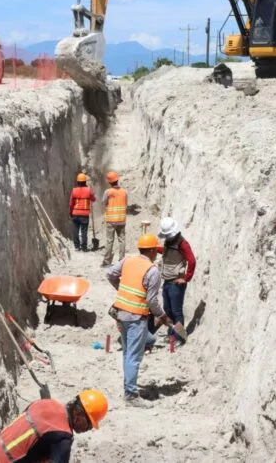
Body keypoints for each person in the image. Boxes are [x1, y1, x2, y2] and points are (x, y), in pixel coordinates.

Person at [106, 234, 171, 408]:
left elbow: (110, 274)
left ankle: (129, 388)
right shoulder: (152, 271)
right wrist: (162, 316)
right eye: (155, 250)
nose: (157, 254)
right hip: (136, 316)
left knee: (128, 353)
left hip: (121, 314)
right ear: (150, 251)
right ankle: (131, 395)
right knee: (134, 356)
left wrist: (121, 290)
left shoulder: (128, 260)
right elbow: (152, 300)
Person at [0, 390, 108, 463]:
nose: (89, 428)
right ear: (78, 414)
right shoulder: (63, 436)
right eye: (89, 423)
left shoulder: (46, 403)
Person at [147, 217, 197, 346]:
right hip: (167, 281)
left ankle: (180, 337)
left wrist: (186, 278)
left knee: (176, 311)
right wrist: (153, 248)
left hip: (176, 283)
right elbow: (167, 253)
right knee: (167, 310)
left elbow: (192, 261)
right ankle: (172, 335)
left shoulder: (183, 244)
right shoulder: (169, 243)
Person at [101, 171, 127, 267]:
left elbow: (103, 201)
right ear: (117, 180)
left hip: (111, 220)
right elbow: (125, 203)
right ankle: (122, 261)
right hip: (121, 220)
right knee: (122, 240)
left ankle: (107, 262)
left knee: (109, 241)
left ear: (109, 182)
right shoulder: (124, 191)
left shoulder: (108, 192)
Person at [69, 173, 96, 252]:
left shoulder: (74, 190)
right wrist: (92, 193)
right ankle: (84, 247)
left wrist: (70, 212)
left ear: (77, 182)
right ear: (85, 182)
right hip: (84, 214)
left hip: (75, 213)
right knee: (84, 231)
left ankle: (77, 247)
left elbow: (71, 203)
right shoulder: (88, 190)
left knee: (75, 230)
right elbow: (93, 199)